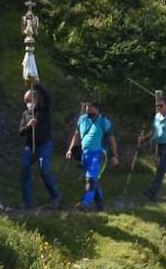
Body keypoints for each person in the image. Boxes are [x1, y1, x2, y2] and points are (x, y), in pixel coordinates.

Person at [66, 98, 118, 211]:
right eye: (87, 109)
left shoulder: (104, 121)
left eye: (91, 109)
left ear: (97, 109)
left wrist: (114, 156)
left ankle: (84, 204)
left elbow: (112, 140)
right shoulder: (82, 119)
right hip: (85, 154)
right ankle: (99, 205)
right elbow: (76, 135)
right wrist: (70, 149)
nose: (88, 111)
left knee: (90, 179)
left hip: (98, 154)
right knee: (93, 180)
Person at [18, 82, 61, 210]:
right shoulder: (25, 114)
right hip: (30, 146)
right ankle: (27, 202)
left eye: (30, 100)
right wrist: (28, 126)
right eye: (26, 101)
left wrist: (36, 84)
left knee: (44, 169)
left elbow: (46, 97)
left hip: (44, 144)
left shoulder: (44, 109)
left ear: (36, 99)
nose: (28, 103)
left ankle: (55, 196)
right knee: (24, 168)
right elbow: (20, 132)